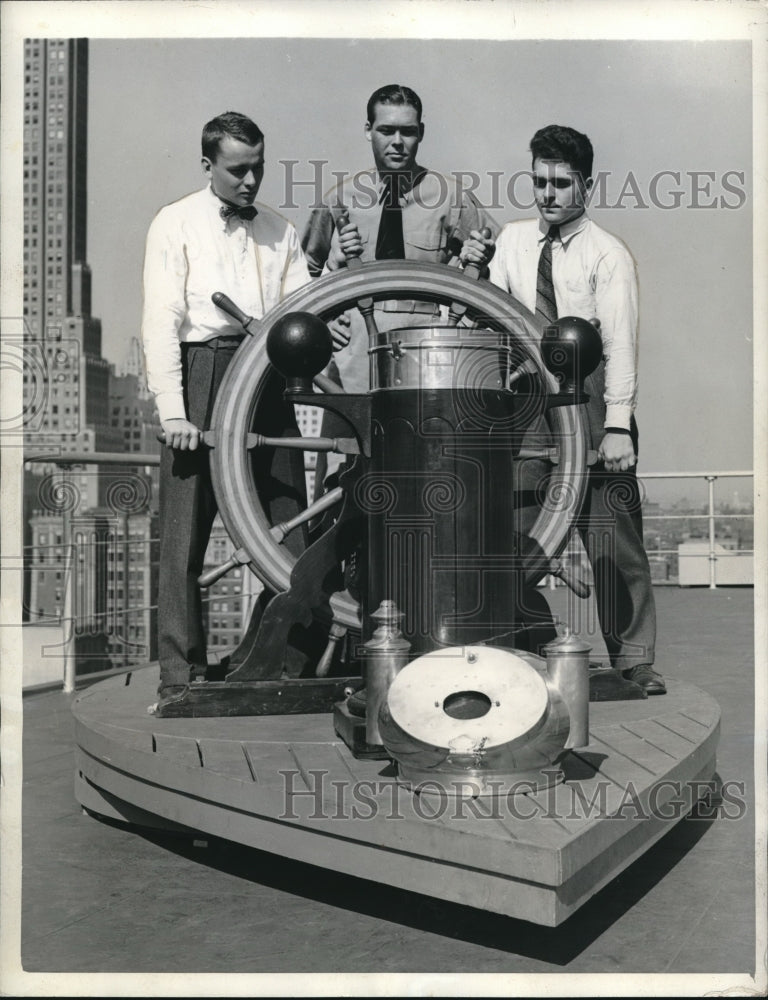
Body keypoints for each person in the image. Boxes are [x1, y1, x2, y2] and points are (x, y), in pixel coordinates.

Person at [461, 124, 664, 694]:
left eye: (560, 183)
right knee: (515, 536)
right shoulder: (514, 243)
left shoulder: (609, 256)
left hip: (592, 397)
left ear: (586, 185)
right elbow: (485, 315)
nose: (547, 194)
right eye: (538, 182)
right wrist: (473, 269)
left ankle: (634, 660)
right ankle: (527, 649)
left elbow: (621, 343)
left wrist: (619, 427)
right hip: (528, 400)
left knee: (612, 541)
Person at [141, 111, 311, 703]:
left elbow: (302, 316)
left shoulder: (282, 231)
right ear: (208, 165)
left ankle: (279, 666)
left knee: (293, 526)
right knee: (185, 538)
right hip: (202, 375)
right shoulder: (173, 223)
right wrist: (173, 413)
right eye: (238, 170)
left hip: (268, 380)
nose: (250, 182)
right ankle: (179, 677)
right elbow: (159, 323)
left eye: (258, 168)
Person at [302, 83, 497, 393]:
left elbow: (496, 263)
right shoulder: (339, 199)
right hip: (356, 343)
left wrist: (479, 266)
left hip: (429, 339)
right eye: (386, 130)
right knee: (352, 435)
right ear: (368, 130)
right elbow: (305, 273)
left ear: (420, 132)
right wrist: (323, 323)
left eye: (407, 131)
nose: (397, 142)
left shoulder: (452, 198)